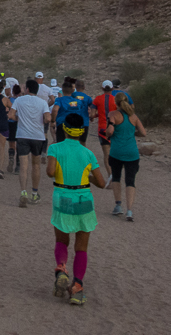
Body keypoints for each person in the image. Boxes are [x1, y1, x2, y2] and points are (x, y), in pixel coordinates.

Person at [46, 113, 107, 306]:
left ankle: (62, 268)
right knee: (81, 247)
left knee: (62, 240)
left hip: (62, 196)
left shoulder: (55, 148)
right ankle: (77, 287)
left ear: (64, 129)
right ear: (82, 131)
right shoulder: (88, 153)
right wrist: (86, 177)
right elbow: (101, 182)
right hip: (83, 198)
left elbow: (49, 172)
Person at [106, 91, 147, 220]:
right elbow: (143, 133)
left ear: (116, 103)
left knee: (116, 178)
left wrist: (109, 132)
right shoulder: (133, 116)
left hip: (116, 152)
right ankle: (129, 210)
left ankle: (118, 205)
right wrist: (132, 134)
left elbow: (110, 131)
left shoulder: (113, 115)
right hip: (132, 152)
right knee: (130, 180)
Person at [11, 80, 51, 207]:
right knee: (36, 165)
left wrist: (19, 119)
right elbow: (48, 118)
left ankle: (23, 192)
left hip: (22, 135)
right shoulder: (43, 102)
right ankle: (34, 193)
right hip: (37, 136)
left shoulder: (19, 100)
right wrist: (42, 121)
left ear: (27, 89)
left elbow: (11, 115)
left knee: (23, 165)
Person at [92, 80, 118, 178]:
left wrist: (96, 115)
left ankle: (110, 175)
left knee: (106, 154)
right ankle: (116, 173)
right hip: (115, 128)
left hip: (102, 129)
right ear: (112, 88)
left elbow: (92, 114)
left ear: (102, 88)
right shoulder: (115, 100)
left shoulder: (97, 99)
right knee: (115, 151)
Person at [51, 79, 88, 145]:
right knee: (74, 144)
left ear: (62, 90)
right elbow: (85, 110)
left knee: (61, 145)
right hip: (75, 125)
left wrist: (53, 121)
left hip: (62, 124)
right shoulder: (78, 101)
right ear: (72, 90)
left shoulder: (59, 100)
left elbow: (55, 110)